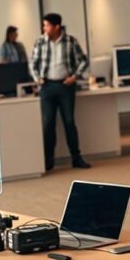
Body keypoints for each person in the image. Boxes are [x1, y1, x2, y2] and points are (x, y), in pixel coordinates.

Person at [29, 13, 91, 170]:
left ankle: (76, 158)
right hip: (47, 87)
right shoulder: (40, 42)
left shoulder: (70, 41)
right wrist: (37, 78)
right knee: (48, 124)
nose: (44, 28)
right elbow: (32, 63)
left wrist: (75, 77)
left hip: (65, 86)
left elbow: (84, 60)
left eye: (46, 25)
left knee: (69, 122)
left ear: (56, 26)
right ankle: (48, 160)